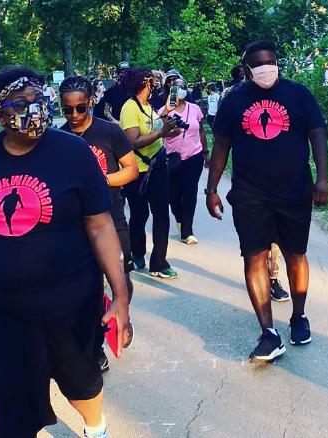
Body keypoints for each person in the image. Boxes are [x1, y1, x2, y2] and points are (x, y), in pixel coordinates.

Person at [0, 67, 129, 438]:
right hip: (2, 306)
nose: (34, 110)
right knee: (13, 402)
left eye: (39, 100)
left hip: (70, 300)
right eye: (20, 103)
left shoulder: (73, 152)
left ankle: (96, 428)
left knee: (81, 380)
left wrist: (120, 294)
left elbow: (100, 224)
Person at [206, 41, 328, 362]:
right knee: (254, 257)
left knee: (295, 255)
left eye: (271, 61)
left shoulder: (298, 95)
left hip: (294, 191)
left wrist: (322, 179)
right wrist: (211, 189)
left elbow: (317, 135)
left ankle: (298, 316)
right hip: (250, 195)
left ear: (278, 63)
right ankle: (268, 333)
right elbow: (221, 146)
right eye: (258, 64)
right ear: (247, 69)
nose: (266, 68)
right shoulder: (234, 100)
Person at [59, 76, 140, 372]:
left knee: (119, 273)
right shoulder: (59, 137)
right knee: (88, 284)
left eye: (80, 108)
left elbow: (130, 170)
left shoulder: (110, 132)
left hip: (111, 216)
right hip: (76, 223)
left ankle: (123, 314)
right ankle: (95, 344)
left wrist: (100, 181)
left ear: (91, 101)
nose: (75, 116)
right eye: (68, 110)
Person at [119, 68, 181, 278]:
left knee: (161, 214)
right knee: (139, 214)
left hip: (158, 167)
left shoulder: (148, 106)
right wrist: (161, 132)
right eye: (152, 80)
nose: (155, 83)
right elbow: (132, 141)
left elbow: (157, 130)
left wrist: (171, 129)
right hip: (138, 170)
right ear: (144, 83)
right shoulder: (130, 108)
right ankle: (136, 253)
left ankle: (159, 261)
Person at [157, 77, 209, 244]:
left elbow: (200, 130)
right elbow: (159, 129)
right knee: (173, 195)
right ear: (170, 90)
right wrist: (167, 108)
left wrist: (206, 153)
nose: (180, 89)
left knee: (190, 192)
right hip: (172, 156)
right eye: (176, 87)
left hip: (194, 155)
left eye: (182, 86)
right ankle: (179, 217)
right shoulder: (164, 111)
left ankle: (188, 230)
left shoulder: (194, 109)